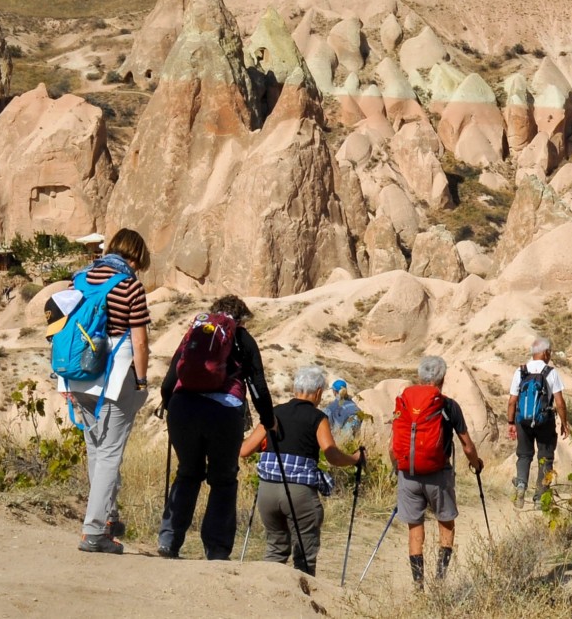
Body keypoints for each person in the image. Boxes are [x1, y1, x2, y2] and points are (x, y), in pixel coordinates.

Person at [156, 293, 277, 560]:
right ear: (241, 318)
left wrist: (168, 404)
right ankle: (217, 550)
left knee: (188, 473)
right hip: (223, 412)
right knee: (223, 480)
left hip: (183, 407)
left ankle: (169, 541)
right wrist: (269, 420)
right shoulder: (242, 338)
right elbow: (258, 385)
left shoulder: (196, 332)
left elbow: (169, 379)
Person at [240, 365, 365, 574]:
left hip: (267, 492)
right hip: (299, 493)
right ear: (318, 392)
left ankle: (267, 590)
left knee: (275, 550)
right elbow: (332, 455)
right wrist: (355, 459)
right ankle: (302, 593)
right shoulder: (318, 418)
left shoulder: (274, 412)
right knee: (304, 557)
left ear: (295, 389)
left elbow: (244, 450)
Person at [75, 228, 152, 554]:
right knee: (109, 453)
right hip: (115, 375)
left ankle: (105, 521)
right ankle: (94, 532)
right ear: (135, 256)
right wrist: (142, 381)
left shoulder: (80, 279)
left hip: (79, 375)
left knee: (96, 450)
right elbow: (140, 341)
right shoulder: (129, 285)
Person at [393, 355, 483, 588]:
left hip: (408, 474)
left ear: (419, 377)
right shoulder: (448, 405)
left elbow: (395, 444)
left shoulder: (404, 402)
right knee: (446, 522)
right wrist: (476, 463)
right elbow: (467, 445)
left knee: (415, 528)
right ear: (442, 379)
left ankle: (418, 585)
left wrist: (398, 469)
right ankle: (440, 581)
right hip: (438, 475)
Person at [506, 336, 569, 506]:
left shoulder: (520, 371)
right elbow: (560, 402)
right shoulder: (551, 372)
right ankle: (540, 497)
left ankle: (521, 485)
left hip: (522, 421)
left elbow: (512, 401)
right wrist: (564, 423)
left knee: (524, 455)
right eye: (550, 352)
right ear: (546, 353)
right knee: (546, 457)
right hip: (545, 421)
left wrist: (511, 423)